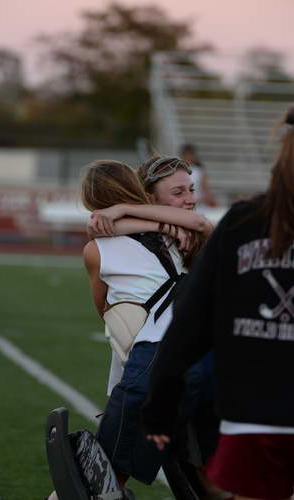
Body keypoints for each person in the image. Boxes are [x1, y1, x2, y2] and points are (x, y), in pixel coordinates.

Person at [143, 107, 294, 500]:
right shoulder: (243, 221)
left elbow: (189, 322)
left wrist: (159, 404)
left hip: (253, 418)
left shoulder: (243, 222)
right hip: (255, 419)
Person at [82, 157, 215, 493]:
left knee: (111, 468)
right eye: (179, 191)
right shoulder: (182, 234)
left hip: (173, 364)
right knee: (201, 472)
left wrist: (123, 214)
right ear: (149, 199)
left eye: (191, 189)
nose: (189, 197)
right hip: (193, 360)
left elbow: (111, 316)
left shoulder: (186, 233)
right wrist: (151, 223)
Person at [180, 143, 218, 208]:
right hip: (183, 203)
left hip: (198, 204)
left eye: (190, 155)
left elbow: (206, 189)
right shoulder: (179, 170)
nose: (188, 157)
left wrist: (210, 199)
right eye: (186, 155)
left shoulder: (199, 171)